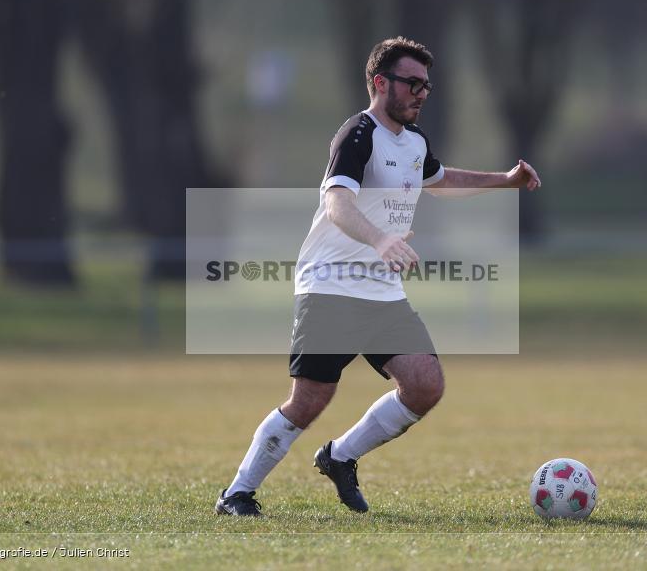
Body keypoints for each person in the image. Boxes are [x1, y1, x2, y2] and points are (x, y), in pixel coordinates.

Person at [216, 37, 541, 516]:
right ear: (380, 83)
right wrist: (381, 240)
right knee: (309, 401)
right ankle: (237, 493)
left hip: (379, 291)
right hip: (330, 284)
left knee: (425, 385)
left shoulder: (414, 143)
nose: (421, 94)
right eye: (412, 83)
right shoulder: (358, 134)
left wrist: (505, 180)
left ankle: (339, 456)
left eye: (427, 86)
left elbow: (440, 180)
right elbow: (337, 202)